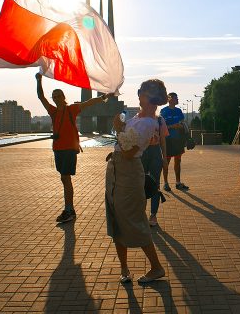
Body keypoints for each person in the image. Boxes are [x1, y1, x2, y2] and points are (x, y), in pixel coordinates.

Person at [106, 79, 167, 284]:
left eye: (141, 91)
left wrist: (119, 129)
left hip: (129, 172)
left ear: (150, 97)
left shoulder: (149, 122)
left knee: (133, 219)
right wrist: (122, 127)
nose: (138, 93)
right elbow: (125, 143)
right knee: (116, 218)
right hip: (117, 168)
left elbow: (131, 151)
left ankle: (156, 267)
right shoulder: (138, 117)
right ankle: (124, 269)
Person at [36, 73, 113, 223]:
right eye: (54, 96)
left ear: (64, 97)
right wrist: (39, 81)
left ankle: (69, 209)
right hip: (58, 149)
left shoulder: (71, 109)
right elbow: (41, 96)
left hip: (69, 150)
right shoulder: (53, 112)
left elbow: (88, 102)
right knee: (64, 179)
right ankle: (68, 209)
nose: (57, 98)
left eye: (59, 96)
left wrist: (103, 98)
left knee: (66, 178)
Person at [142, 112, 169, 227]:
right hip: (142, 152)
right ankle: (141, 214)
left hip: (155, 152)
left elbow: (163, 140)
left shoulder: (160, 120)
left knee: (155, 184)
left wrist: (165, 158)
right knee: (140, 183)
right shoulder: (137, 119)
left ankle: (153, 215)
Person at [160, 92, 189, 191]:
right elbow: (161, 127)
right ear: (170, 99)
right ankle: (166, 183)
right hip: (168, 141)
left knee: (178, 161)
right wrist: (172, 126)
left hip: (178, 141)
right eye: (176, 98)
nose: (177, 100)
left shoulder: (179, 111)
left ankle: (178, 182)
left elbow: (182, 124)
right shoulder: (164, 111)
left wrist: (180, 126)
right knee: (166, 162)